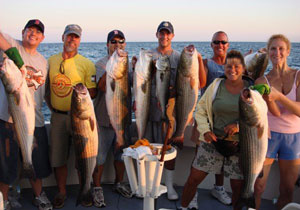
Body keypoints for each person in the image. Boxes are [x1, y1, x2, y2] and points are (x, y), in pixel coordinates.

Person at [179, 50, 252, 210]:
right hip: (213, 142)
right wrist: (205, 130)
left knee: (238, 187)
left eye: (236, 66)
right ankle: (183, 207)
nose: (232, 70)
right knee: (193, 179)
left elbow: (258, 116)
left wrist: (238, 126)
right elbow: (201, 109)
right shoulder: (216, 85)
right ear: (224, 68)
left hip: (240, 146)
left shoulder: (251, 89)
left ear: (244, 68)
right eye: (228, 66)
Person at [142, 21, 206, 201]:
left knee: (168, 150)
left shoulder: (180, 57)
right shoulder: (148, 55)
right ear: (156, 35)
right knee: (149, 149)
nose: (164, 36)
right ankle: (150, 185)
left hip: (170, 112)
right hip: (149, 111)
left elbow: (198, 83)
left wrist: (198, 60)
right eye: (161, 33)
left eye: (168, 33)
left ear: (172, 36)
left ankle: (169, 185)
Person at [0, 19, 52, 210]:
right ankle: (4, 200)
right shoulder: (12, 46)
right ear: (22, 32)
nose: (33, 34)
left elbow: (44, 91)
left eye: (38, 32)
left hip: (35, 119)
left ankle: (39, 195)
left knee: (35, 162)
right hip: (8, 120)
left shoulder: (43, 61)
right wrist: (14, 56)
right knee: (6, 164)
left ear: (43, 38)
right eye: (29, 30)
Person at [45, 24, 97, 208]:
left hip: (81, 119)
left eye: (75, 37)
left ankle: (85, 189)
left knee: (82, 157)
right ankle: (62, 192)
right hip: (58, 117)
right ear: (62, 37)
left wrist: (80, 95)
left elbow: (93, 92)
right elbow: (46, 90)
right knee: (58, 157)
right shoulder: (50, 61)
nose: (71, 40)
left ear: (79, 41)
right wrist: (54, 109)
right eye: (69, 36)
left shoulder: (87, 63)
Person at [254, 34, 300, 210]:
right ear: (268, 52)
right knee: (258, 187)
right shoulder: (261, 81)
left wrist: (279, 96)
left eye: (281, 48)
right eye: (273, 48)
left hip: (293, 139)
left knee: (287, 189)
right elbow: (274, 112)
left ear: (288, 51)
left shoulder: (298, 76)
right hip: (267, 137)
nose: (277, 52)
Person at [189, 31, 232, 209]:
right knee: (198, 157)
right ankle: (192, 193)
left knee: (221, 157)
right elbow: (201, 83)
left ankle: (219, 188)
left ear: (228, 45)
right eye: (216, 42)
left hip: (225, 120)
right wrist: (198, 60)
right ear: (211, 45)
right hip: (205, 118)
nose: (220, 45)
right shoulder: (206, 63)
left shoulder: (234, 65)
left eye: (223, 42)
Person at [92, 29, 132, 208]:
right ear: (107, 45)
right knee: (99, 158)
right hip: (102, 118)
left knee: (120, 155)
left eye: (120, 42)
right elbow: (100, 88)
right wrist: (111, 68)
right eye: (113, 42)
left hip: (122, 117)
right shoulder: (100, 64)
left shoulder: (129, 64)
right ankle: (97, 188)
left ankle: (119, 182)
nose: (117, 45)